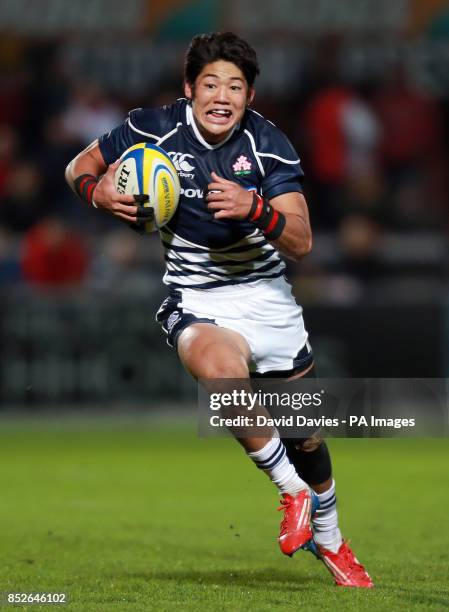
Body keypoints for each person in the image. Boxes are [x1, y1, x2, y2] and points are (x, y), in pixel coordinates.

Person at [65, 32, 373, 588]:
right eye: (210, 83)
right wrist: (97, 193)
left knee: (307, 434)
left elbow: (301, 241)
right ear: (190, 88)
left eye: (234, 85)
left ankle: (330, 539)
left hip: (268, 296)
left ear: (249, 96)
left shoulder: (268, 145)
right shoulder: (151, 128)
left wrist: (255, 208)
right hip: (198, 296)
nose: (221, 95)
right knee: (218, 374)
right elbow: (79, 165)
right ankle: (291, 491)